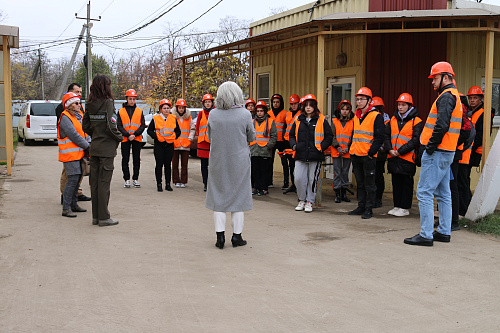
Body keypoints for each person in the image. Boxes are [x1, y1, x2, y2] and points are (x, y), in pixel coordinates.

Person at [404, 61, 462, 246]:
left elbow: (442, 125)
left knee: (424, 192)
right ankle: (444, 232)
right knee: (444, 193)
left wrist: (429, 147)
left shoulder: (446, 97)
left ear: (446, 77)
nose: (432, 82)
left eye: (435, 78)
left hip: (437, 151)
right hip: (446, 152)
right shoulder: (454, 96)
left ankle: (426, 235)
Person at [205, 82, 255, 250]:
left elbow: (210, 136)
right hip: (239, 161)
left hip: (218, 160)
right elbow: (251, 136)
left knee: (219, 198)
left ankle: (220, 238)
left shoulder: (213, 114)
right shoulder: (245, 114)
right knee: (238, 198)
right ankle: (236, 237)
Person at [82, 75, 123, 227]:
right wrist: (120, 138)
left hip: (95, 148)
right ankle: (104, 217)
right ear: (106, 86)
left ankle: (96, 217)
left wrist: (96, 135)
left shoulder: (90, 103)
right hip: (106, 150)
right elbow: (111, 126)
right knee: (104, 184)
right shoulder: (108, 102)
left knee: (96, 184)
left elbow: (85, 125)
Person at [289, 94, 333, 213]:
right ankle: (301, 200)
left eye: (311, 105)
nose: (308, 107)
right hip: (300, 154)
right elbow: (291, 135)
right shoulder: (298, 119)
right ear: (303, 107)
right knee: (298, 178)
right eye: (306, 105)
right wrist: (294, 146)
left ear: (315, 106)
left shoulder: (322, 119)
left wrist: (321, 148)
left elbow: (329, 136)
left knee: (312, 179)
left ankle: (309, 201)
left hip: (315, 155)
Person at [348, 87, 385, 219]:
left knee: (370, 184)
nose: (359, 102)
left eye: (362, 99)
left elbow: (380, 137)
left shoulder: (376, 116)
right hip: (356, 154)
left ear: (369, 101)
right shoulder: (356, 116)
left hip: (368, 156)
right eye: (357, 99)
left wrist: (371, 152)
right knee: (360, 183)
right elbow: (354, 134)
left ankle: (369, 208)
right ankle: (361, 206)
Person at [384, 93, 423, 217]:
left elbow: (416, 140)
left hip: (407, 157)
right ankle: (397, 205)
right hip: (393, 156)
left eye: (403, 105)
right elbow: (386, 136)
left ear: (409, 106)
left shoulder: (416, 121)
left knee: (406, 183)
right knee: (396, 181)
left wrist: (400, 151)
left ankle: (405, 207)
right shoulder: (393, 119)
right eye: (399, 104)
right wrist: (389, 149)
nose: (400, 107)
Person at [459, 86, 494, 215]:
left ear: (480, 99)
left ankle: (466, 208)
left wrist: (469, 148)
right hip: (467, 151)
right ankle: (465, 207)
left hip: (472, 151)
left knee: (463, 180)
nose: (472, 100)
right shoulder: (470, 111)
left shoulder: (484, 113)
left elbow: (481, 135)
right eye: (470, 98)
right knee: (463, 179)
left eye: (475, 98)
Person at [56, 83, 91, 203]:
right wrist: (87, 145)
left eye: (81, 92)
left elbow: (83, 129)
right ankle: (66, 199)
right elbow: (72, 133)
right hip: (70, 151)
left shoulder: (79, 110)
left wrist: (87, 141)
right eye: (77, 92)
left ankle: (75, 196)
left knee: (77, 176)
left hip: (79, 150)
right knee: (69, 176)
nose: (79, 95)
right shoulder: (64, 110)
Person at [147, 99, 181, 192]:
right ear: (161, 109)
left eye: (168, 108)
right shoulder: (156, 118)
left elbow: (178, 131)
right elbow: (149, 130)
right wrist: (156, 137)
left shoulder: (173, 118)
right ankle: (159, 184)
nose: (166, 110)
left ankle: (167, 184)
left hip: (169, 144)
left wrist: (173, 137)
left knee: (167, 165)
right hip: (159, 145)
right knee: (159, 165)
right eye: (164, 108)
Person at [117, 89, 146, 188]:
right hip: (125, 138)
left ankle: (135, 179)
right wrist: (127, 135)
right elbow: (119, 125)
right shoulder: (120, 111)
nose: (132, 101)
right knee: (125, 159)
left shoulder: (139, 111)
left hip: (136, 138)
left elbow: (142, 125)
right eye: (130, 99)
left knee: (136, 159)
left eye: (134, 99)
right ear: (126, 99)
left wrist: (135, 134)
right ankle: (126, 179)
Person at [250, 101, 277, 196]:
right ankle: (256, 188)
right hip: (254, 150)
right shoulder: (252, 122)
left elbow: (274, 136)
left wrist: (268, 146)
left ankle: (264, 188)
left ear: (265, 111)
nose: (259, 113)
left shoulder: (270, 122)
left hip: (265, 151)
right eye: (258, 111)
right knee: (255, 170)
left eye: (261, 111)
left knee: (264, 170)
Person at [331, 99, 354, 203]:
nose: (345, 111)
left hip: (347, 151)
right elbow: (332, 136)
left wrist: (347, 148)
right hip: (337, 150)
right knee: (337, 172)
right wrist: (338, 148)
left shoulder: (353, 122)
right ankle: (337, 194)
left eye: (347, 109)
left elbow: (354, 137)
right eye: (343, 109)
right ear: (339, 110)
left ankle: (344, 194)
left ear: (350, 111)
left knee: (345, 172)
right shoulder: (334, 121)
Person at [172, 99, 195, 188]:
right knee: (174, 165)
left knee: (184, 165)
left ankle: (183, 181)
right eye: (179, 108)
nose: (181, 109)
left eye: (182, 108)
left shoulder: (189, 118)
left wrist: (190, 138)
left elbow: (192, 129)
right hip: (175, 144)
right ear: (177, 108)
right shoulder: (173, 117)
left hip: (185, 144)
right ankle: (176, 181)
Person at [372, 96, 390, 208]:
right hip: (370, 152)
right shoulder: (368, 118)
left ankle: (378, 199)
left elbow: (386, 136)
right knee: (370, 176)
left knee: (378, 176)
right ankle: (371, 198)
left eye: (377, 108)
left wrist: (381, 147)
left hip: (380, 153)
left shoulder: (387, 121)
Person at [267, 94, 289, 189]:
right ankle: (269, 182)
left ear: (281, 103)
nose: (275, 104)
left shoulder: (285, 113)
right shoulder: (268, 114)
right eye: (274, 102)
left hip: (282, 142)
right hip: (272, 141)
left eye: (277, 102)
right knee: (270, 162)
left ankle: (286, 182)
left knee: (284, 162)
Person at [282, 94, 301, 194]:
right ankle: (293, 184)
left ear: (299, 104)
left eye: (295, 104)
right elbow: (285, 126)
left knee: (297, 165)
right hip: (287, 142)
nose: (293, 105)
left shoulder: (301, 114)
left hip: (296, 142)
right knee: (291, 165)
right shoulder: (288, 114)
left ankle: (298, 185)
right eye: (292, 104)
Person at [196, 94, 214, 192]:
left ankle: (212, 184)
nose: (208, 103)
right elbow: (198, 126)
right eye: (206, 102)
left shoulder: (215, 113)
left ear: (212, 103)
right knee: (204, 165)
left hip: (212, 142)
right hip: (203, 142)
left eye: (209, 102)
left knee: (213, 166)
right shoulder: (200, 113)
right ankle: (205, 184)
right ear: (204, 103)